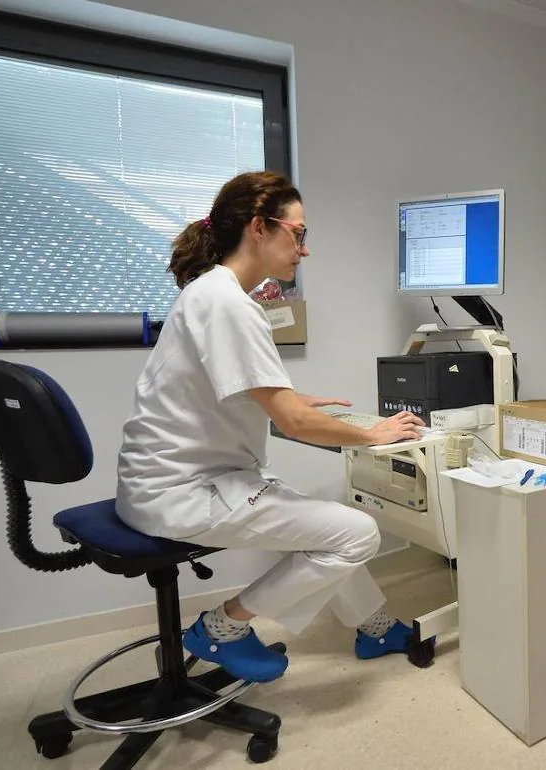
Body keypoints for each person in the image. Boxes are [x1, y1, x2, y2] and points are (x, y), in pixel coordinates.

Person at [115, 171, 427, 682]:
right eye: (298, 233)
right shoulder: (228, 304)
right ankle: (224, 626)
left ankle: (374, 627)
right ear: (259, 227)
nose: (304, 249)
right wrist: (372, 434)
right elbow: (292, 423)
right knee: (356, 534)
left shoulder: (211, 293)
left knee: (321, 522)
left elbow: (237, 390)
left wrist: (297, 400)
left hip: (172, 480)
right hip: (181, 494)